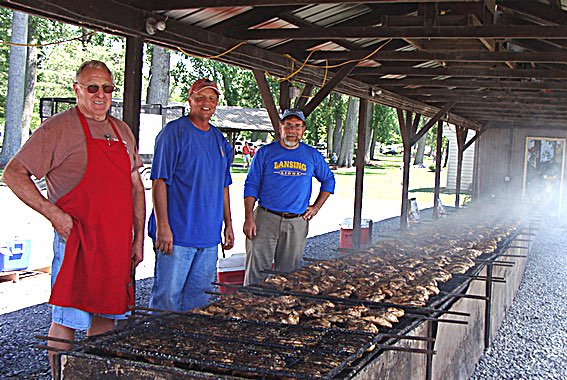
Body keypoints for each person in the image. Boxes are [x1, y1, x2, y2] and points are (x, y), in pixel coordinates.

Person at [2, 60, 145, 371]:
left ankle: (93, 374)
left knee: (106, 317)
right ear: (77, 90)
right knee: (67, 318)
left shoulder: (122, 131)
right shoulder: (58, 128)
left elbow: (136, 187)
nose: (100, 95)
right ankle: (58, 375)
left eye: (107, 88)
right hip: (77, 241)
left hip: (115, 244)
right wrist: (54, 214)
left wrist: (137, 239)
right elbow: (14, 174)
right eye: (92, 87)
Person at [147, 78, 234, 312]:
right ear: (190, 100)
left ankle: (186, 347)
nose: (206, 103)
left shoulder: (219, 140)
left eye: (212, 99)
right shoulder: (173, 133)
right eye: (201, 98)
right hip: (177, 236)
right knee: (167, 299)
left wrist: (228, 224)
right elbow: (159, 181)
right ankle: (158, 344)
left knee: (199, 301)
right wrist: (163, 226)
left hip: (208, 237)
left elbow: (224, 185)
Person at [243, 108, 335, 285]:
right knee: (256, 272)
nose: (292, 130)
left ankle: (279, 310)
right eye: (288, 125)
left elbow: (329, 181)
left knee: (289, 276)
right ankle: (250, 305)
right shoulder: (265, 153)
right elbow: (251, 185)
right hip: (265, 219)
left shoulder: (312, 155)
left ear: (303, 130)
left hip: (296, 222)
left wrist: (316, 207)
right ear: (280, 128)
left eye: (297, 126)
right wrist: (248, 217)